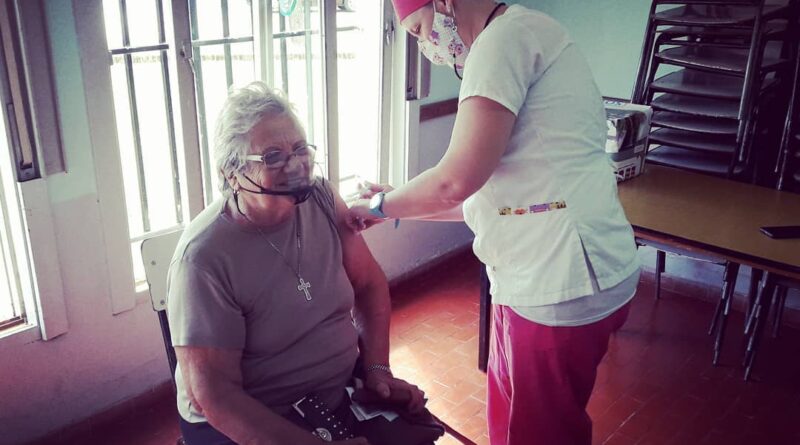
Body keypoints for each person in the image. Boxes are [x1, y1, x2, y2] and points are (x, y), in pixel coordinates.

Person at [347, 1, 641, 444]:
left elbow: (454, 182)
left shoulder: (501, 41)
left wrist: (379, 207)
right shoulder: (526, 31)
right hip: (546, 272)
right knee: (510, 419)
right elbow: (474, 197)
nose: (427, 46)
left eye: (420, 30)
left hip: (559, 279)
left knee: (539, 433)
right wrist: (391, 206)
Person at [167, 81, 425, 445]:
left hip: (332, 396)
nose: (296, 165)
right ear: (231, 173)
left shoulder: (321, 198)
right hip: (249, 425)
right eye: (272, 156)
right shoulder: (203, 259)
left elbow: (368, 285)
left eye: (301, 148)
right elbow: (215, 398)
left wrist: (377, 370)